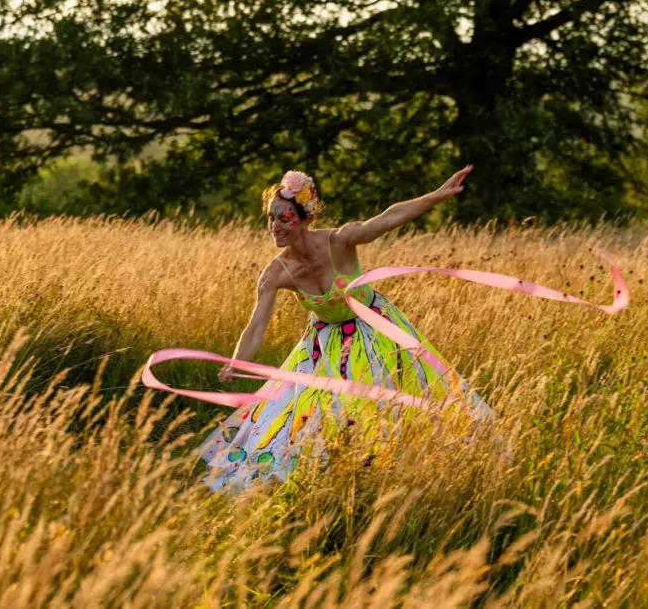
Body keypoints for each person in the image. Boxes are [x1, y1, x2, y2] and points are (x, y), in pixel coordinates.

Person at [198, 166, 490, 492]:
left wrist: (438, 196)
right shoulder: (276, 273)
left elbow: (388, 218)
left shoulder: (340, 240)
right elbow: (256, 326)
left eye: (283, 218)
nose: (274, 227)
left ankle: (410, 474)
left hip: (376, 329)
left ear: (306, 217)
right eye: (270, 219)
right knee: (299, 416)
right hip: (324, 345)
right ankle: (325, 481)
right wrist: (237, 362)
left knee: (398, 405)